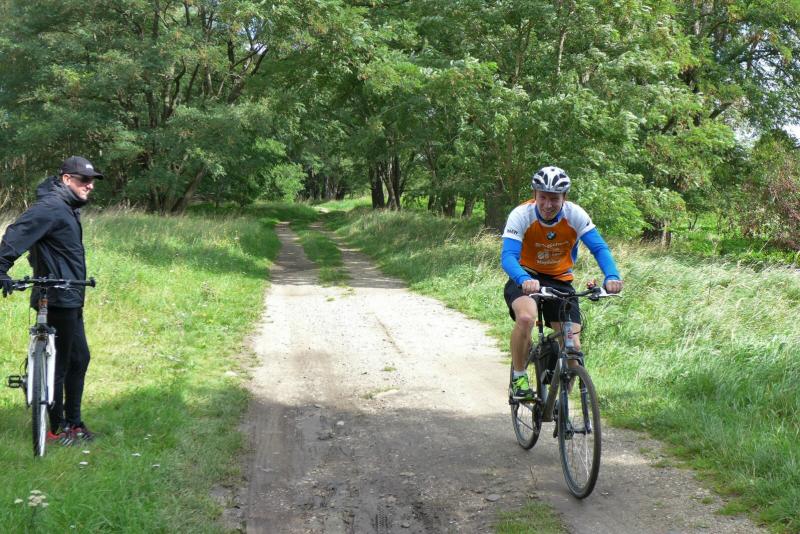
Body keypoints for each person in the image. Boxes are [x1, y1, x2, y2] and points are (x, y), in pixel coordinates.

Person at [0, 155, 103, 444]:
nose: (90, 185)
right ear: (66, 179)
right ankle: (58, 428)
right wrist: (1, 266)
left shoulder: (66, 207)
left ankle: (73, 421)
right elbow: (18, 233)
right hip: (58, 296)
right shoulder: (52, 207)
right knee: (62, 363)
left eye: (92, 180)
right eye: (84, 180)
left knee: (79, 357)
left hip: (71, 294)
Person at [501, 166, 623, 400]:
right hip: (525, 276)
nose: (548, 204)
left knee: (573, 347)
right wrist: (524, 279)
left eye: (554, 199)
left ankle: (561, 404)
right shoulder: (521, 214)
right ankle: (519, 377)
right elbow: (508, 256)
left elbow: (599, 248)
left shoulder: (575, 215)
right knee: (526, 318)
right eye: (543, 197)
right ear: (535, 194)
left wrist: (612, 276)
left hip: (560, 280)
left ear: (564, 198)